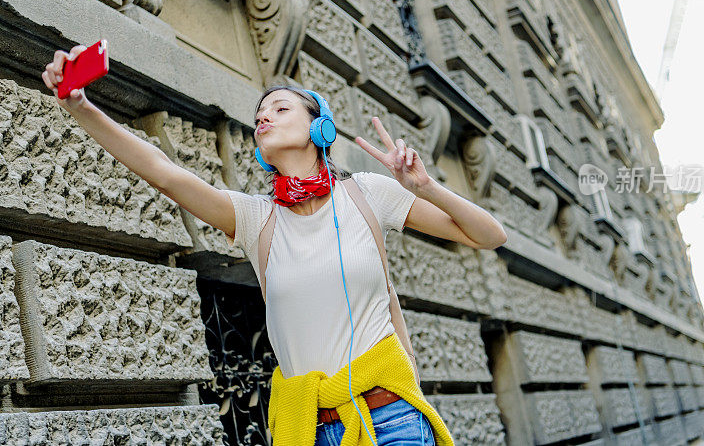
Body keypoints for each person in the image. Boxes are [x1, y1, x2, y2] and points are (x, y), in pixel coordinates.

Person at [41, 45, 508, 446]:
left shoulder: (367, 193)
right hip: (312, 429)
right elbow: (165, 173)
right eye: (260, 114)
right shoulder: (255, 218)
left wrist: (423, 185)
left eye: (281, 108)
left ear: (319, 127)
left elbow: (490, 236)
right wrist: (80, 106)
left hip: (391, 420)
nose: (264, 116)